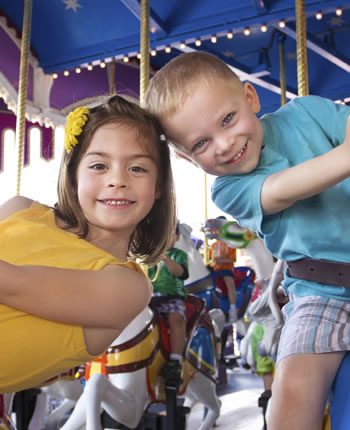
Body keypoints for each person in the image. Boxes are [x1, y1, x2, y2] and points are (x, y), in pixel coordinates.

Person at [144, 51, 350, 430]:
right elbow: (286, 189)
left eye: (228, 119)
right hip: (320, 294)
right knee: (288, 402)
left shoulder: (308, 113)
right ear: (187, 158)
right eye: (201, 144)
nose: (223, 144)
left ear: (250, 99)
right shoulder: (230, 188)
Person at [0, 94, 176, 394]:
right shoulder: (20, 210)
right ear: (73, 176)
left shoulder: (128, 288)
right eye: (98, 166)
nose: (117, 180)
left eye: (137, 168)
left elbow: (13, 284)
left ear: (158, 186)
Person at [149, 223, 188, 384]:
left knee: (176, 319)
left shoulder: (178, 254)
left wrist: (164, 256)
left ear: (177, 237)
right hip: (151, 298)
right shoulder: (150, 258)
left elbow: (180, 273)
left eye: (170, 234)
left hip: (172, 297)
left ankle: (175, 360)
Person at [208, 219, 238, 323]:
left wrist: (220, 260)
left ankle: (233, 308)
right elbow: (209, 260)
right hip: (215, 270)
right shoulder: (213, 245)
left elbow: (233, 259)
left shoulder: (230, 243)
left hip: (226, 269)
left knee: (229, 283)